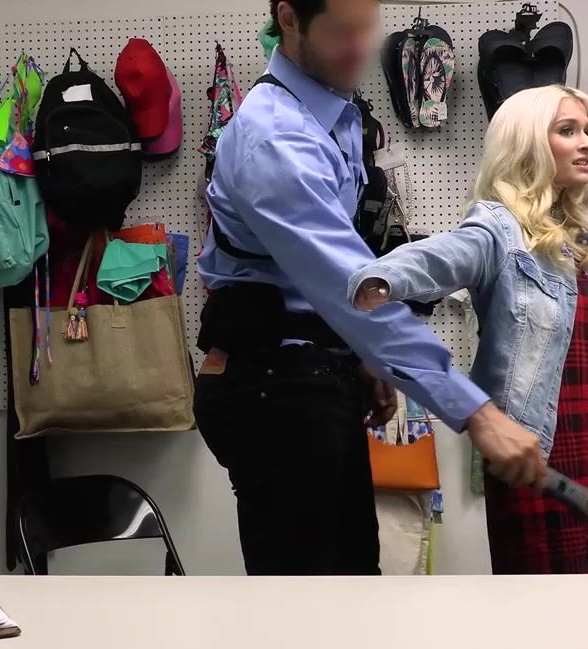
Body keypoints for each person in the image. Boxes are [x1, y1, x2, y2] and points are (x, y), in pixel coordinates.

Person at [195, 0, 547, 576]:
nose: (361, 47)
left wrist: (362, 358)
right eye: (342, 31)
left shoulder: (333, 116)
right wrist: (477, 414)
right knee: (302, 601)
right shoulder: (275, 139)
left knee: (355, 584)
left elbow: (331, 273)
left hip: (310, 375)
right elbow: (355, 288)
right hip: (272, 388)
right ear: (290, 19)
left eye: (367, 28)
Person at [350, 85, 588, 574]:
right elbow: (437, 258)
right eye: (568, 130)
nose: (587, 143)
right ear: (528, 143)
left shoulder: (578, 239)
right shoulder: (497, 229)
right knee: (543, 600)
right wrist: (379, 280)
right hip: (531, 448)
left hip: (585, 436)